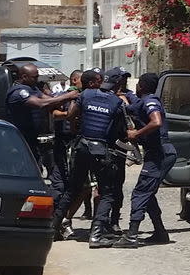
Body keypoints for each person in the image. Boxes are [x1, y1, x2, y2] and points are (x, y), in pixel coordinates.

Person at [52, 69, 126, 249]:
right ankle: (96, 235)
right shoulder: (117, 102)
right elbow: (120, 131)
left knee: (72, 189)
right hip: (101, 151)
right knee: (107, 192)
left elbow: (70, 116)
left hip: (82, 147)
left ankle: (52, 229)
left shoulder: (86, 95)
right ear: (117, 86)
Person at [113, 73, 177, 248]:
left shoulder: (151, 101)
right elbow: (132, 105)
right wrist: (121, 95)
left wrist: (137, 133)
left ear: (141, 85)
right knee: (148, 193)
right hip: (157, 152)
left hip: (160, 153)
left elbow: (156, 121)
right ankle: (160, 232)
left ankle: (132, 236)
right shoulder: (143, 100)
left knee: (140, 192)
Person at [5, 64, 78, 163]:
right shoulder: (19, 92)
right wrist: (67, 97)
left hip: (32, 136)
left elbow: (50, 100)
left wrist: (67, 98)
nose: (37, 79)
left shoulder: (33, 88)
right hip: (19, 138)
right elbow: (40, 104)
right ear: (24, 77)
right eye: (34, 77)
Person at [101, 67, 132, 234]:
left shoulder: (125, 98)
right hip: (105, 147)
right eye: (122, 80)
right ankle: (101, 221)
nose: (124, 83)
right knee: (103, 187)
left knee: (118, 187)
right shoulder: (106, 97)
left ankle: (114, 220)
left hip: (120, 148)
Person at [50, 70, 83, 209]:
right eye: (82, 79)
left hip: (76, 143)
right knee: (60, 180)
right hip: (62, 142)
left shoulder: (83, 97)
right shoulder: (63, 96)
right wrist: (68, 114)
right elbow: (54, 113)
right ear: (74, 80)